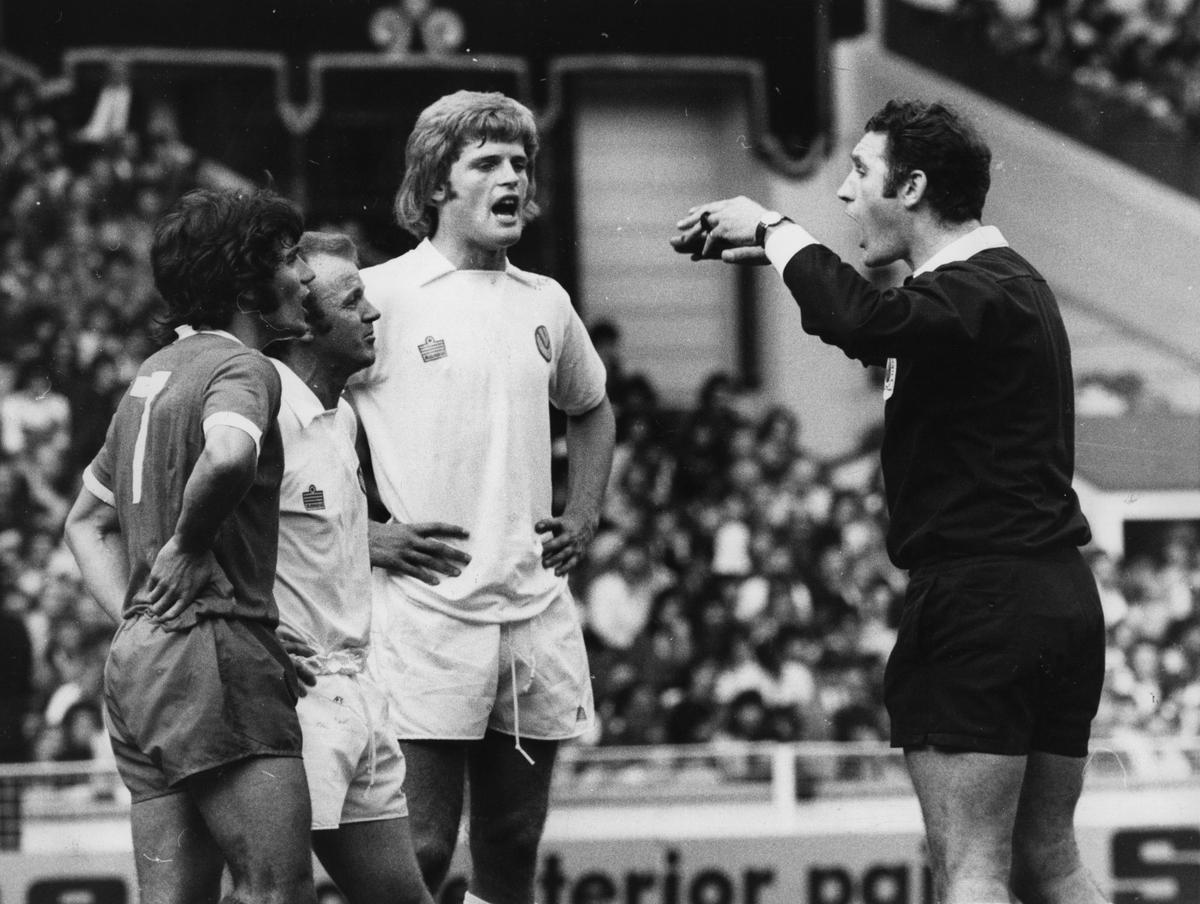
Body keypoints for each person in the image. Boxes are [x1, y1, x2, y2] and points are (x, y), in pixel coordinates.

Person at [673, 100, 1107, 904]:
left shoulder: (976, 290)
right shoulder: (1004, 287)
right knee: (1048, 863)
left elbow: (862, 320)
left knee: (969, 868)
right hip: (1052, 594)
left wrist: (774, 228)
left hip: (982, 598)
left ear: (911, 187)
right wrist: (781, 259)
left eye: (861, 172)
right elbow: (872, 311)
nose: (842, 194)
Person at [347, 90, 615, 904]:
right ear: (435, 184)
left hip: (531, 610)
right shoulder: (379, 294)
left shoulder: (546, 301)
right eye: (487, 162)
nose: (512, 179)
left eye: (521, 163)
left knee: (510, 844)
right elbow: (300, 429)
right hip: (427, 614)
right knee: (423, 849)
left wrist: (582, 514)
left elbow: (593, 409)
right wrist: (367, 535)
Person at [63, 187, 319, 904]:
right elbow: (231, 455)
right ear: (247, 284)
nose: (303, 275)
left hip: (143, 667)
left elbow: (84, 523)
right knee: (277, 890)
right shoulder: (243, 368)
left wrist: (143, 619)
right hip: (215, 652)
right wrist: (188, 545)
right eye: (291, 258)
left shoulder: (150, 378)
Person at [268, 230, 433, 904]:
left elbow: (308, 527)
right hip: (292, 701)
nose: (374, 313)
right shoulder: (265, 409)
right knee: (268, 893)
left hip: (356, 691)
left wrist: (368, 537)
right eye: (352, 299)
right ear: (304, 322)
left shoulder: (340, 420)